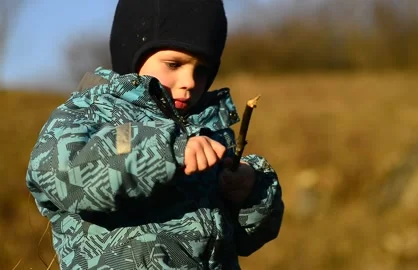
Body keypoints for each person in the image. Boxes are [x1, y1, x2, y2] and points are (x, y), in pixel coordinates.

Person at [26, 0, 284, 269]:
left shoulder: (211, 132)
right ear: (133, 53)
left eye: (202, 69)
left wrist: (251, 193)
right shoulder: (96, 115)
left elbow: (247, 241)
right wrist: (166, 147)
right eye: (174, 64)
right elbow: (61, 172)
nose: (190, 81)